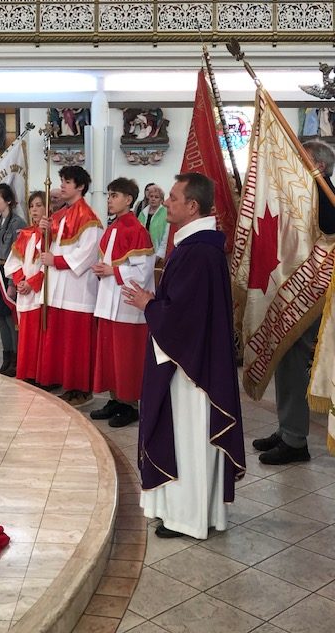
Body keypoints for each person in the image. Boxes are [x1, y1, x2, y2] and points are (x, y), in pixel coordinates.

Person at [123, 172, 245, 539]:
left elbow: (183, 318)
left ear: (192, 206)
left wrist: (149, 304)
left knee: (188, 439)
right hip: (192, 360)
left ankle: (187, 518)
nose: (167, 202)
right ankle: (180, 511)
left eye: (174, 197)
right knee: (185, 438)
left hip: (190, 371)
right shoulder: (197, 246)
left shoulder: (198, 251)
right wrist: (156, 303)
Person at [253, 139, 335, 464]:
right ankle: (288, 428)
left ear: (320, 166)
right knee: (285, 357)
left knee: (292, 356)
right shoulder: (309, 193)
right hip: (296, 291)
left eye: (302, 158)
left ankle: (295, 439)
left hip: (311, 295)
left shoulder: (325, 196)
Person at [91, 177, 155, 427]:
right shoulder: (114, 227)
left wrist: (113, 271)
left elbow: (143, 271)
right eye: (109, 195)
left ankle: (130, 404)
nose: (109, 200)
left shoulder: (136, 230)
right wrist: (102, 270)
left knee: (126, 356)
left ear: (129, 200)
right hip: (109, 301)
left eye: (114, 195)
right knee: (111, 355)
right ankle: (115, 399)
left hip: (126, 304)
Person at [37, 165, 103, 407]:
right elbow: (46, 248)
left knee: (77, 343)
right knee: (61, 341)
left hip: (77, 291)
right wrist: (43, 232)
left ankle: (81, 388)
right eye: (62, 181)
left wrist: (55, 260)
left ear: (81, 186)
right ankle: (62, 380)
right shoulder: (59, 216)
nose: (62, 185)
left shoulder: (89, 219)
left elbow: (86, 256)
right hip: (57, 288)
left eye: (67, 182)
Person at [0, 183, 26, 377]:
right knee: (0, 317)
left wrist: (11, 283)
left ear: (8, 200)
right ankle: (6, 358)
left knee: (10, 318)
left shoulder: (18, 223)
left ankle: (16, 360)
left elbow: (18, 255)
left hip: (8, 273)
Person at [4, 191, 45, 383]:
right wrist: (20, 281)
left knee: (38, 335)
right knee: (25, 334)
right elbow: (12, 263)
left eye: (39, 205)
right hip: (24, 292)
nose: (34, 210)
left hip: (39, 293)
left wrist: (32, 283)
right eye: (31, 206)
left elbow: (47, 266)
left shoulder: (50, 235)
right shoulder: (26, 234)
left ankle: (38, 373)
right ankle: (26, 371)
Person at [137, 184, 169, 261]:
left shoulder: (166, 213)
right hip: (142, 252)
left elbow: (166, 237)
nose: (153, 199)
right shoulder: (142, 213)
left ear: (161, 200)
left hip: (158, 253)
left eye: (156, 197)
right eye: (151, 196)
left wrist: (159, 255)